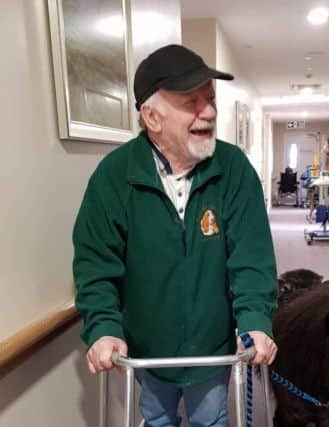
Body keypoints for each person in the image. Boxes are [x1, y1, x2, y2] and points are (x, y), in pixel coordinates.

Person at [73, 44, 278, 426]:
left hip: (212, 351)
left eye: (211, 99)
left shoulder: (234, 170)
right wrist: (103, 327)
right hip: (148, 351)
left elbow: (252, 258)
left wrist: (254, 320)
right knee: (157, 421)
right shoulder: (113, 178)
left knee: (211, 419)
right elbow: (95, 266)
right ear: (151, 116)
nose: (210, 112)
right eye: (192, 102)